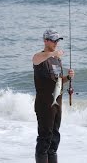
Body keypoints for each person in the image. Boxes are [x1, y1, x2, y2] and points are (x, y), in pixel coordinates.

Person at [32, 29, 75, 163]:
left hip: (57, 103)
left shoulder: (57, 59)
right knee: (45, 137)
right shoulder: (39, 57)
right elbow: (36, 59)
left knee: (55, 136)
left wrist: (68, 77)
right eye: (53, 40)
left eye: (57, 40)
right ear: (45, 41)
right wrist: (52, 54)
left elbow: (58, 80)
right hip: (44, 104)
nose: (56, 43)